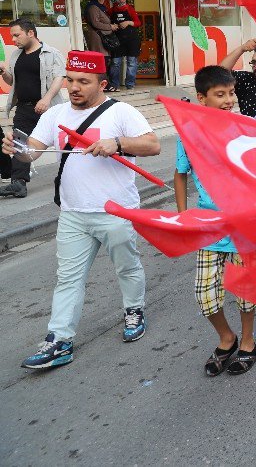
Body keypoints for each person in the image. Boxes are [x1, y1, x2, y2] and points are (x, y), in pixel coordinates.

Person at [6, 51, 159, 369]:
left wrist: (117, 144)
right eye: (70, 80)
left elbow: (152, 145)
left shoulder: (121, 112)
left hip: (116, 211)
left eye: (83, 82)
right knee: (68, 279)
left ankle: (134, 310)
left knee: (126, 267)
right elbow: (30, 155)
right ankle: (59, 341)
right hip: (73, 213)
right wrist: (15, 150)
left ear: (102, 83)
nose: (74, 87)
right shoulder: (55, 114)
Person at [175, 66, 256, 376]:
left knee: (244, 291)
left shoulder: (244, 129)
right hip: (208, 227)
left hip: (241, 225)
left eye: (231, 93)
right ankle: (227, 337)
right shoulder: (189, 134)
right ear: (202, 98)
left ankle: (248, 341)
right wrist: (184, 215)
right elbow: (180, 174)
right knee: (206, 296)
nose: (228, 100)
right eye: (220, 95)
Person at [0, 18, 66, 199]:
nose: (13, 40)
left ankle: (72, 175)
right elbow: (11, 82)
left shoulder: (51, 53)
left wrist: (46, 99)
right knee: (19, 144)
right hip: (23, 108)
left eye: (16, 35)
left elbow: (59, 78)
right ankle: (18, 183)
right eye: (12, 36)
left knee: (63, 142)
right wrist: (4, 72)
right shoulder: (16, 56)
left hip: (48, 108)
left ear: (31, 33)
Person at [220, 39, 256, 117]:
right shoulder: (247, 80)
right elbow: (220, 72)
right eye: (254, 62)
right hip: (247, 129)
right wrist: (242, 48)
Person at [109, 0, 142, 90]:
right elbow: (107, 22)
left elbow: (138, 23)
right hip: (117, 40)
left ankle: (130, 84)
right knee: (115, 62)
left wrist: (128, 22)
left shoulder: (130, 9)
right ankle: (115, 85)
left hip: (131, 39)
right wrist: (111, 25)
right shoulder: (111, 10)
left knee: (132, 62)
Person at [82, 0, 116, 75]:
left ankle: (104, 82)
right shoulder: (93, 7)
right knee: (101, 61)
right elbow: (95, 23)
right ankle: (102, 83)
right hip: (98, 38)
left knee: (105, 60)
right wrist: (110, 27)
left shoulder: (101, 8)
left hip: (103, 37)